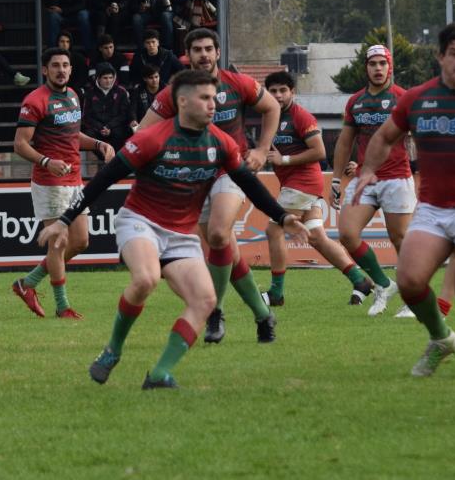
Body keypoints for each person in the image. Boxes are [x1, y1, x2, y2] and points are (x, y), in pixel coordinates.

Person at [38, 69, 310, 389]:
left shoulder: (220, 142)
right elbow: (103, 179)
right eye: (205, 98)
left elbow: (248, 183)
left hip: (181, 235)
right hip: (140, 222)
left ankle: (159, 375)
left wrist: (282, 216)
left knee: (205, 300)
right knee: (146, 278)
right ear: (182, 101)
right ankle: (112, 351)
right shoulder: (153, 138)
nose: (213, 105)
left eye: (214, 98)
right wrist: (65, 220)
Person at [353, 23, 455, 380]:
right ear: (440, 56)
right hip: (432, 207)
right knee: (410, 281)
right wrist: (368, 169)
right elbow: (384, 136)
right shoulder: (417, 98)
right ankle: (442, 338)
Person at [138, 28, 281, 344]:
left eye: (208, 49)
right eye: (197, 50)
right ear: (187, 56)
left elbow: (272, 107)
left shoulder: (238, 83)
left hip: (231, 171)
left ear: (218, 52)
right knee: (227, 249)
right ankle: (263, 315)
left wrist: (261, 150)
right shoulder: (174, 93)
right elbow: (143, 133)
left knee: (217, 235)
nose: (203, 55)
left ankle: (213, 311)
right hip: (194, 177)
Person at [11, 48, 115, 320]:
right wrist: (46, 162)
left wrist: (98, 144)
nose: (61, 70)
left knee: (80, 241)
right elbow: (20, 144)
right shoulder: (35, 100)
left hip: (75, 179)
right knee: (58, 243)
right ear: (45, 70)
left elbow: (72, 135)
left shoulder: (72, 96)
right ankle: (62, 307)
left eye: (65, 65)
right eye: (55, 65)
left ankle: (27, 283)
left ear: (71, 69)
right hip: (50, 181)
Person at [261, 71, 375, 306]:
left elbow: (320, 151)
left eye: (283, 90)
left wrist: (285, 160)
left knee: (274, 230)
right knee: (317, 238)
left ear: (293, 92)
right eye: (273, 91)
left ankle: (276, 293)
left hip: (302, 183)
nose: (278, 95)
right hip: (298, 184)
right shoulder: (270, 116)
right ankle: (360, 281)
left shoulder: (301, 116)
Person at [332, 44, 414, 316]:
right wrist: (335, 179)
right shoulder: (355, 101)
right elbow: (345, 142)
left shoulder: (403, 98)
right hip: (364, 179)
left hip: (397, 178)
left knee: (400, 239)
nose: (378, 68)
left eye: (382, 63)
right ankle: (383, 284)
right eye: (372, 63)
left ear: (390, 66)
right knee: (347, 234)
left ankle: (414, 299)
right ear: (365, 68)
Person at [82, 62, 134, 157]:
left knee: (123, 132)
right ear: (98, 78)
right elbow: (86, 116)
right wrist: (101, 128)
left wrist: (109, 127)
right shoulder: (89, 93)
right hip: (97, 129)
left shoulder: (121, 92)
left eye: (111, 78)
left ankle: (115, 158)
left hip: (115, 127)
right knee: (89, 134)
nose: (108, 81)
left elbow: (124, 114)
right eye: (105, 78)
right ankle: (103, 157)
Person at [56, 31, 89, 97]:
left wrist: (73, 89)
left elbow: (82, 78)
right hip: (57, 89)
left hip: (74, 91)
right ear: (57, 43)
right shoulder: (53, 58)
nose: (65, 44)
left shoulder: (79, 58)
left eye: (67, 42)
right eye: (62, 41)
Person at [129, 63, 163, 128]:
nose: (154, 80)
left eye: (156, 77)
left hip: (161, 125)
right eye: (151, 78)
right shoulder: (138, 91)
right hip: (143, 125)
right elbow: (133, 109)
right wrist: (133, 120)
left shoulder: (165, 89)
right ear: (145, 79)